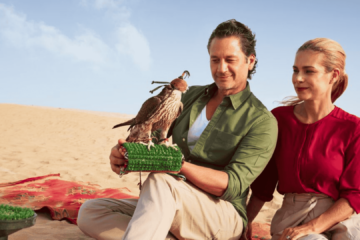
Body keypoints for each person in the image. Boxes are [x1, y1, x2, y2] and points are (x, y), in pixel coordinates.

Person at [77, 19, 278, 240]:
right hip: (170, 197)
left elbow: (231, 185)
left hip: (222, 213)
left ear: (250, 61)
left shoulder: (261, 120)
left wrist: (178, 165)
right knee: (92, 211)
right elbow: (155, 134)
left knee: (161, 181)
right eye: (214, 60)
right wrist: (127, 154)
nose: (221, 68)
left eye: (230, 60)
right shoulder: (192, 96)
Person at [244, 38, 360, 240]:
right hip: (292, 219)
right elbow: (264, 184)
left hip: (342, 221)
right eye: (295, 70)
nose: (298, 78)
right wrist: (245, 223)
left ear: (333, 76)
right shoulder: (279, 120)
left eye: (308, 71)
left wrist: (313, 226)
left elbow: (354, 195)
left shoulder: (353, 128)